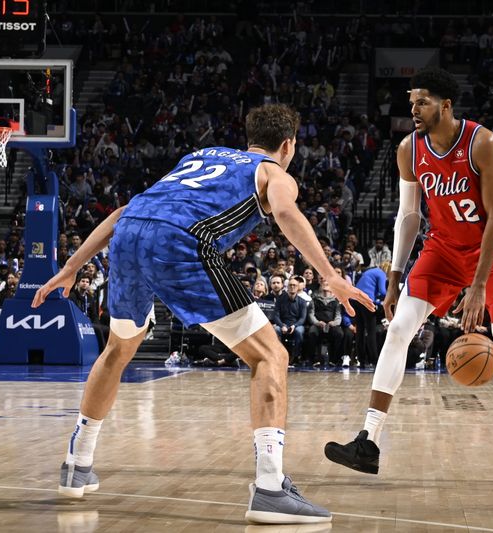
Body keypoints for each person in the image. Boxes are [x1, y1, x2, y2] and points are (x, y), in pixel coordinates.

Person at [31, 103, 374, 525]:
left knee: (119, 350)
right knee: (271, 356)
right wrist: (330, 275)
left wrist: (71, 266)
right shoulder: (273, 173)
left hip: (127, 236)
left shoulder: (201, 155)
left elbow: (125, 212)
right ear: (288, 145)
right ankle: (270, 488)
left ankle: (77, 463)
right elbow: (285, 212)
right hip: (179, 243)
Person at [323, 67, 493, 486]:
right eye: (411, 102)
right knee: (397, 329)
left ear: (445, 105)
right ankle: (368, 442)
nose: (413, 109)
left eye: (422, 102)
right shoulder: (408, 150)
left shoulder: (483, 143)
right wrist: (395, 278)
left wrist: (479, 286)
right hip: (444, 249)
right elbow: (409, 215)